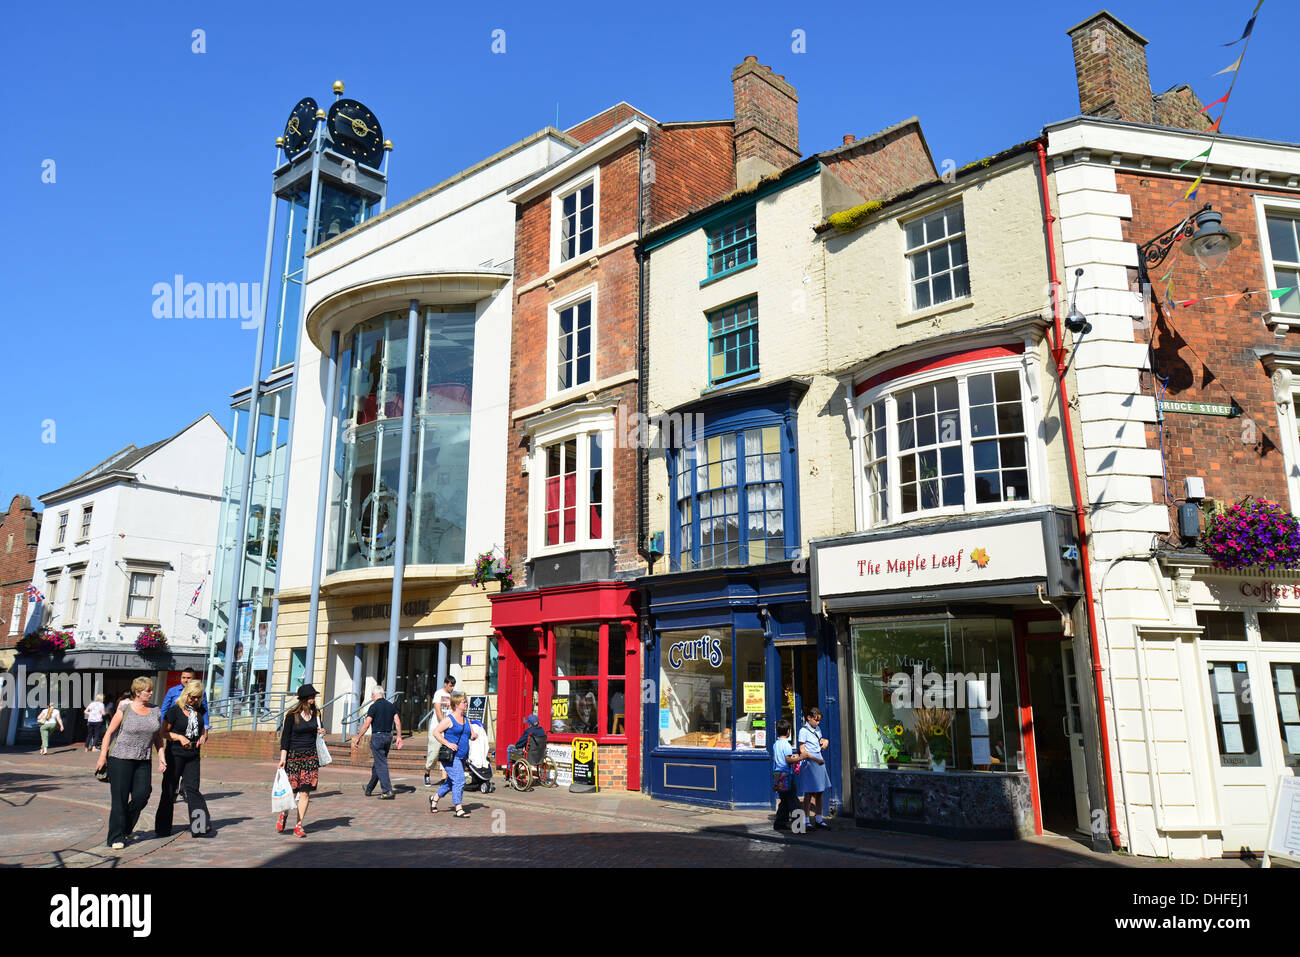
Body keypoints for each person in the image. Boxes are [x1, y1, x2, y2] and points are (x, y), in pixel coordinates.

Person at [96, 676, 164, 850]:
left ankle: (124, 826)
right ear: (137, 692)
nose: (151, 693)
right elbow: (109, 733)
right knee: (119, 799)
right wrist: (102, 756)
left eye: (151, 689)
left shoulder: (156, 710)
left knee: (142, 795)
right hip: (120, 758)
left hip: (143, 759)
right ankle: (116, 837)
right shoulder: (125, 708)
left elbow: (157, 736)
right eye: (147, 690)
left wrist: (162, 756)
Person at [155, 680, 211, 838]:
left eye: (198, 697)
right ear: (186, 694)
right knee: (169, 789)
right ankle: (162, 828)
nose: (194, 700)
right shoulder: (175, 710)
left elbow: (204, 730)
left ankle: (199, 826)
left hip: (193, 754)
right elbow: (163, 733)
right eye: (192, 697)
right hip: (175, 754)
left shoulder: (200, 709)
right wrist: (179, 737)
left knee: (192, 789)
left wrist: (203, 737)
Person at [277, 684, 326, 837]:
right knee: (291, 792)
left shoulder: (316, 714)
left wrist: (322, 731)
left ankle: (299, 825)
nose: (313, 698)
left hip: (310, 758)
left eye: (314, 696)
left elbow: (319, 731)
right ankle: (284, 813)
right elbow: (285, 739)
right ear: (304, 699)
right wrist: (283, 759)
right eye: (311, 696)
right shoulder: (292, 716)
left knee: (305, 793)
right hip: (293, 758)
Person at [160, 669, 209, 797]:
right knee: (171, 781)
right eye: (183, 677)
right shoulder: (173, 693)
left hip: (193, 742)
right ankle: (173, 791)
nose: (185, 680)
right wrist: (164, 725)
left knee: (192, 783)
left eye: (189, 678)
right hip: (175, 732)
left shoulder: (199, 697)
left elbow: (205, 713)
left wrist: (205, 733)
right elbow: (165, 709)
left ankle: (185, 788)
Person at [430, 692, 477, 818]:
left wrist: (473, 736)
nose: (466, 704)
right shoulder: (448, 720)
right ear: (456, 705)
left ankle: (434, 799)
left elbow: (470, 735)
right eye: (464, 702)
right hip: (451, 757)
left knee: (451, 782)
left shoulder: (467, 720)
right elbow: (436, 732)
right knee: (459, 780)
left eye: (466, 701)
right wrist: (448, 743)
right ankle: (458, 808)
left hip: (462, 756)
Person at [352, 686, 402, 799]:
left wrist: (359, 737)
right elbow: (397, 721)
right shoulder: (391, 706)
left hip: (378, 737)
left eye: (371, 695)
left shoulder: (373, 707)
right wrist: (399, 737)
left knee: (381, 764)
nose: (371, 697)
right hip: (388, 736)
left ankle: (387, 790)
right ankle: (369, 788)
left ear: (375, 695)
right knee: (379, 763)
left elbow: (366, 723)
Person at [796, 707, 831, 830]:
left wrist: (825, 741)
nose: (818, 723)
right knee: (809, 793)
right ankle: (806, 820)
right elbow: (802, 751)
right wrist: (816, 760)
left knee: (820, 792)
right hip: (810, 764)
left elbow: (819, 739)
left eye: (819, 720)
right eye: (816, 720)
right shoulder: (803, 731)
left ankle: (819, 819)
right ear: (809, 718)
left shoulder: (817, 729)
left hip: (819, 762)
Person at [425, 675, 456, 787]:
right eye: (450, 686)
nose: (452, 688)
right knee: (433, 753)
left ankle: (444, 778)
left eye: (453, 686)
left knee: (447, 753)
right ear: (445, 684)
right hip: (436, 728)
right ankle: (427, 772)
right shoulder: (438, 694)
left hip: (448, 729)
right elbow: (438, 711)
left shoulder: (454, 695)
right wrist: (444, 723)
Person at [772, 719, 801, 832]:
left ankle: (779, 823)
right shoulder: (787, 745)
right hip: (787, 776)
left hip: (778, 775)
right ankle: (798, 827)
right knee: (793, 801)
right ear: (788, 731)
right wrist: (800, 758)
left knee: (783, 800)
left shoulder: (776, 744)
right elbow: (788, 760)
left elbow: (778, 758)